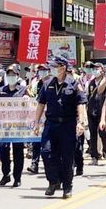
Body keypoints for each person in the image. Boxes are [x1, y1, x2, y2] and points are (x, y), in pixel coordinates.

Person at [33, 55, 87, 199]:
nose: (52, 69)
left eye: (54, 66)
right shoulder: (47, 83)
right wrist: (36, 122)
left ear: (63, 68)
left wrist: (80, 122)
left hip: (68, 124)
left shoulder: (74, 84)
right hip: (51, 124)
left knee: (67, 157)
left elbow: (80, 104)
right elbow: (41, 104)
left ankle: (67, 186)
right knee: (46, 152)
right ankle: (53, 181)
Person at [0, 65, 27, 187]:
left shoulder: (23, 90)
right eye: (8, 75)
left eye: (13, 75)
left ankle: (17, 177)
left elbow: (31, 105)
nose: (10, 77)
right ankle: (6, 174)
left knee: (18, 152)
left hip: (18, 126)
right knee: (3, 150)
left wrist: (27, 100)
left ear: (17, 76)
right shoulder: (1, 90)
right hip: (4, 126)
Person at [27, 63, 50, 174]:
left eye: (44, 70)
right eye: (40, 70)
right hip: (38, 115)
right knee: (36, 141)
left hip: (50, 116)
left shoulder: (51, 83)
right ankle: (34, 163)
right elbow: (34, 98)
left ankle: (49, 165)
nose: (42, 72)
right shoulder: (36, 84)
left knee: (48, 143)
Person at [86, 62, 106, 165]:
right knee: (93, 134)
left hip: (102, 111)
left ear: (102, 70)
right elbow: (87, 96)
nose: (95, 70)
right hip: (91, 111)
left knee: (103, 133)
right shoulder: (90, 83)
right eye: (94, 68)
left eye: (97, 68)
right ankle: (94, 156)